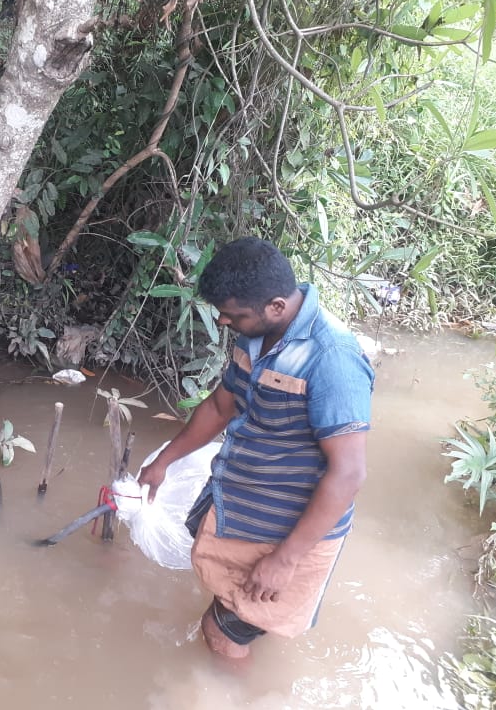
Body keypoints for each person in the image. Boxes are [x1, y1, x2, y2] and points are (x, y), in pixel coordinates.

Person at [138, 236, 374, 659]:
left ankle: (231, 688)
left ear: (276, 306)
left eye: (234, 315)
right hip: (238, 505)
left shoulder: (332, 358)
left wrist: (285, 560)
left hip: (286, 531)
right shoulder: (254, 334)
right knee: (226, 604)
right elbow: (219, 407)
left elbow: (349, 473)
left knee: (222, 634)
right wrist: (164, 462)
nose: (223, 321)